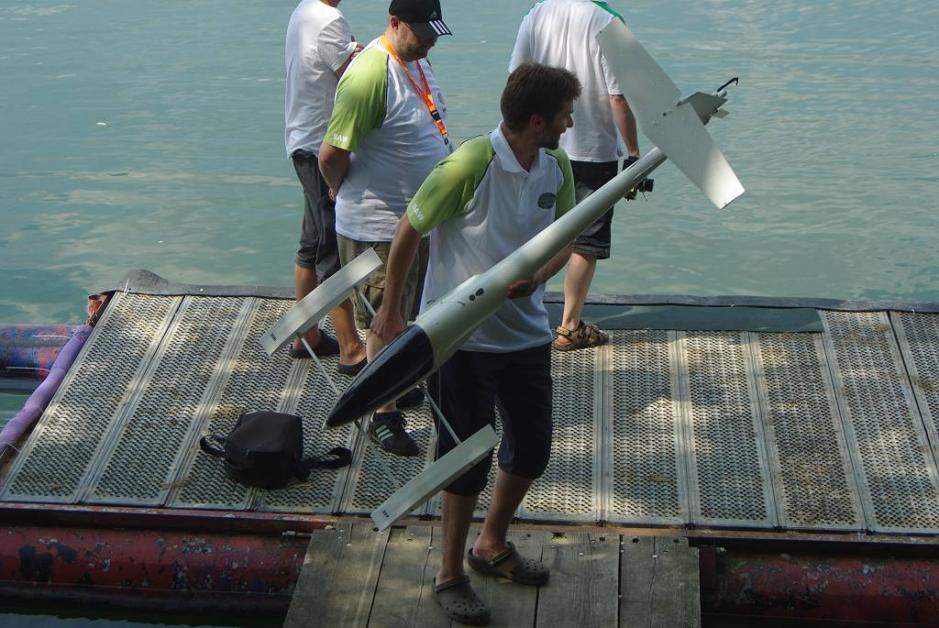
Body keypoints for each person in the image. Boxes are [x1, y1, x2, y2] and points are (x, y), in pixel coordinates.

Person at [371, 64, 581, 626]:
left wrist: (539, 277)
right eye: (564, 115)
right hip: (460, 339)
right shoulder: (468, 164)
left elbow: (566, 237)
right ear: (536, 121)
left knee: (532, 449)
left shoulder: (556, 165)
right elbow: (409, 230)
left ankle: (491, 545)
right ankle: (448, 573)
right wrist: (391, 311)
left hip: (527, 337)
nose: (569, 123)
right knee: (466, 460)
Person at [318, 0, 452, 456]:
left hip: (416, 221)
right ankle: (383, 414)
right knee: (384, 319)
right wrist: (338, 188)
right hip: (377, 225)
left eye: (434, 32)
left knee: (405, 315)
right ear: (394, 22)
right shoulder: (369, 74)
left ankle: (393, 383)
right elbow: (331, 155)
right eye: (422, 31)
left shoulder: (417, 62)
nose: (430, 41)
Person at [509, 0, 641, 351]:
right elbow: (617, 97)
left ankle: (523, 313)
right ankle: (569, 326)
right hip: (594, 149)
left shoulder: (536, 14)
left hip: (543, 143)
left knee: (537, 232)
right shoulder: (608, 21)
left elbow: (516, 82)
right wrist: (633, 151)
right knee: (586, 241)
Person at [284, 0, 367, 373]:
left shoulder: (304, 11)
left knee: (312, 241)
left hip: (302, 140)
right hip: (322, 146)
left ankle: (307, 334)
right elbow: (357, 78)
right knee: (331, 247)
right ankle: (350, 347)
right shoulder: (330, 19)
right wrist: (360, 52)